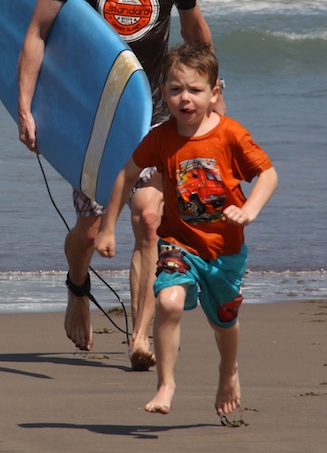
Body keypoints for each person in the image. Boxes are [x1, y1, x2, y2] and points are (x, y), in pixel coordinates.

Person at [16, 0, 221, 371]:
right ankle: (77, 286)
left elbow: (196, 33)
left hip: (153, 112)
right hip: (93, 119)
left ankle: (140, 336)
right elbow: (37, 32)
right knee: (90, 231)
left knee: (149, 219)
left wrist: (210, 93)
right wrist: (26, 106)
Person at [96, 41, 277, 417]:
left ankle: (229, 371)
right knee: (169, 301)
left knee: (223, 322)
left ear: (214, 93)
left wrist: (250, 211)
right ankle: (165, 384)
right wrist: (108, 227)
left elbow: (268, 174)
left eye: (195, 90)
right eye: (176, 89)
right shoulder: (161, 138)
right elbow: (126, 174)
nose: (185, 98)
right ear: (163, 93)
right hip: (177, 244)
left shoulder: (230, 135)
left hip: (224, 251)